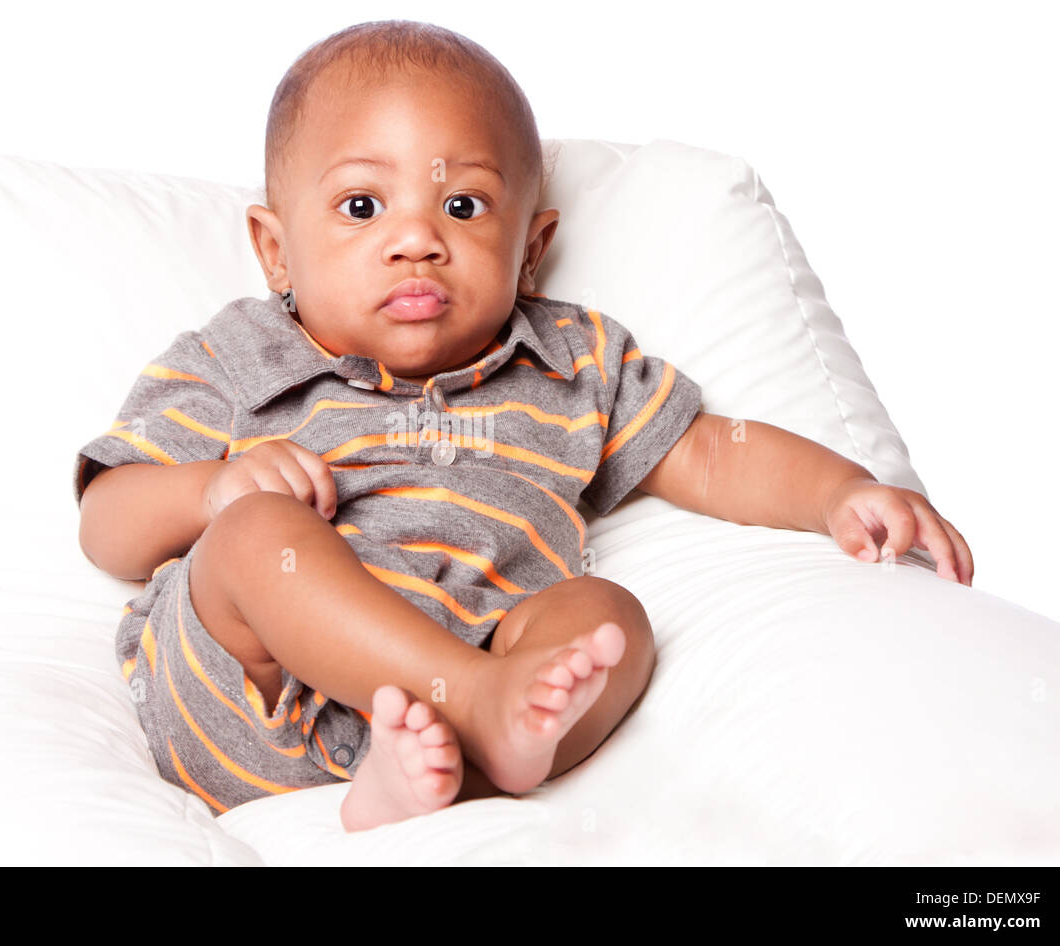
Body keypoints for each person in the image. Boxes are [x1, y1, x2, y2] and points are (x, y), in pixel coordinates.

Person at [74, 20, 974, 832]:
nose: (416, 239)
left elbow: (707, 451)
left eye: (462, 207)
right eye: (361, 207)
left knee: (607, 618)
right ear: (276, 249)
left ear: (531, 250)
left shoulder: (570, 364)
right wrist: (214, 487)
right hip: (247, 700)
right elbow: (107, 519)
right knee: (257, 536)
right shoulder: (242, 356)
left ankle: (432, 778)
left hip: (462, 695)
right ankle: (474, 707)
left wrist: (840, 493)